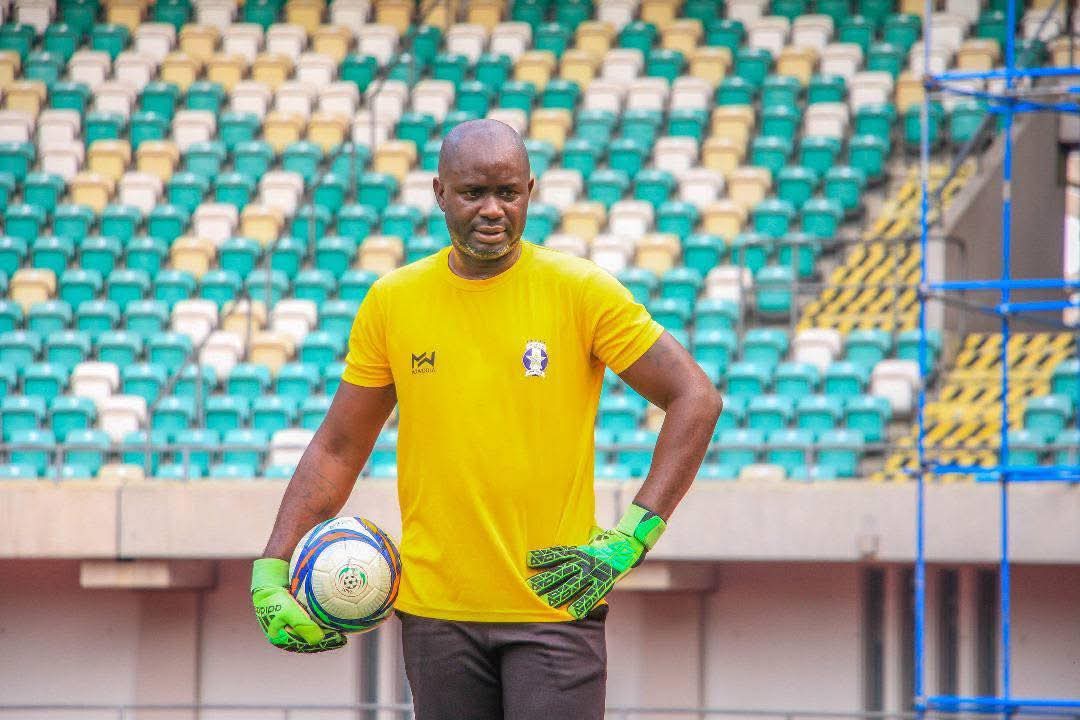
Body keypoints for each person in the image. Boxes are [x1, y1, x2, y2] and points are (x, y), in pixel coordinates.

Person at [250, 119, 722, 719]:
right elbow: (341, 446)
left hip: (553, 610)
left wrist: (632, 538)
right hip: (435, 616)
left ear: (531, 189)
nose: (494, 210)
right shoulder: (394, 301)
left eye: (509, 193)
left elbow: (695, 397)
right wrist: (272, 565)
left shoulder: (580, 291)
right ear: (439, 192)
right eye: (474, 193)